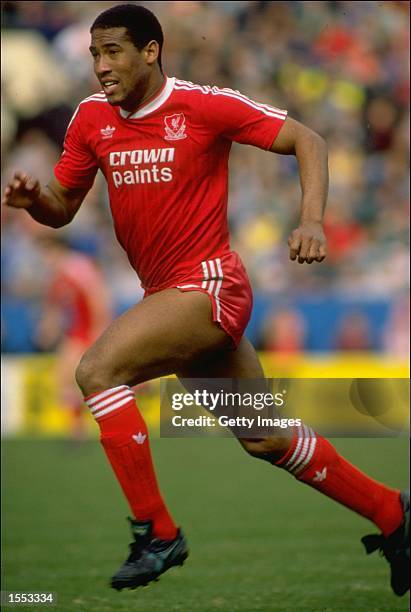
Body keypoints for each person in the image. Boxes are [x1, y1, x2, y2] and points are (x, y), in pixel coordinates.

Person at [2, 4, 409, 597]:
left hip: (210, 284)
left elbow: (308, 138)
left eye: (113, 51)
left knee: (96, 370)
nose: (100, 66)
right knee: (265, 435)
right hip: (170, 296)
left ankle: (158, 532)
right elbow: (63, 207)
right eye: (94, 54)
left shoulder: (201, 105)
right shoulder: (91, 119)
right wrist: (35, 198)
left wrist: (313, 220)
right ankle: (393, 515)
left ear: (151, 50)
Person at [36, 234, 112, 440]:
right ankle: (77, 429)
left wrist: (99, 327)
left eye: (46, 253)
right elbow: (54, 303)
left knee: (74, 378)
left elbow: (97, 295)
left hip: (88, 330)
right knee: (66, 379)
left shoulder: (77, 267)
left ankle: (139, 387)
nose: (44, 259)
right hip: (77, 331)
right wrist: (48, 328)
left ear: (56, 250)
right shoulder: (57, 274)